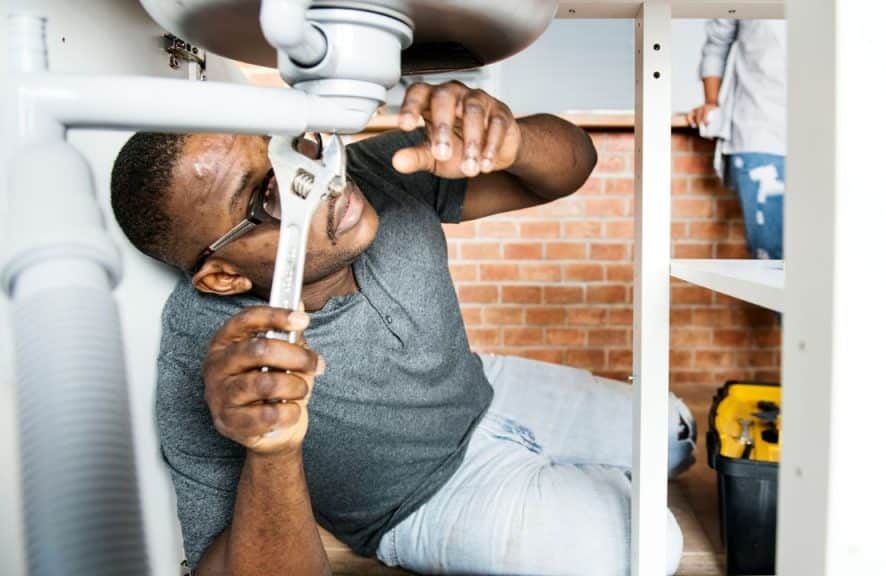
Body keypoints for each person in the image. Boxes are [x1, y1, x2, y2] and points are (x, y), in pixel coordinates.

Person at [110, 81, 697, 576]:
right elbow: (224, 561)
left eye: (295, 149)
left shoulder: (373, 170)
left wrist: (511, 140)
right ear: (222, 277)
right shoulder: (206, 356)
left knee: (675, 432)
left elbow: (573, 166)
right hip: (419, 502)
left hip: (481, 389)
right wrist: (272, 451)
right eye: (269, 194)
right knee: (646, 543)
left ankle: (580, 469)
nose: (323, 181)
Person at [686, 19, 787, 260]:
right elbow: (716, 45)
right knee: (770, 257)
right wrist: (711, 101)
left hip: (826, 136)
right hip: (759, 132)